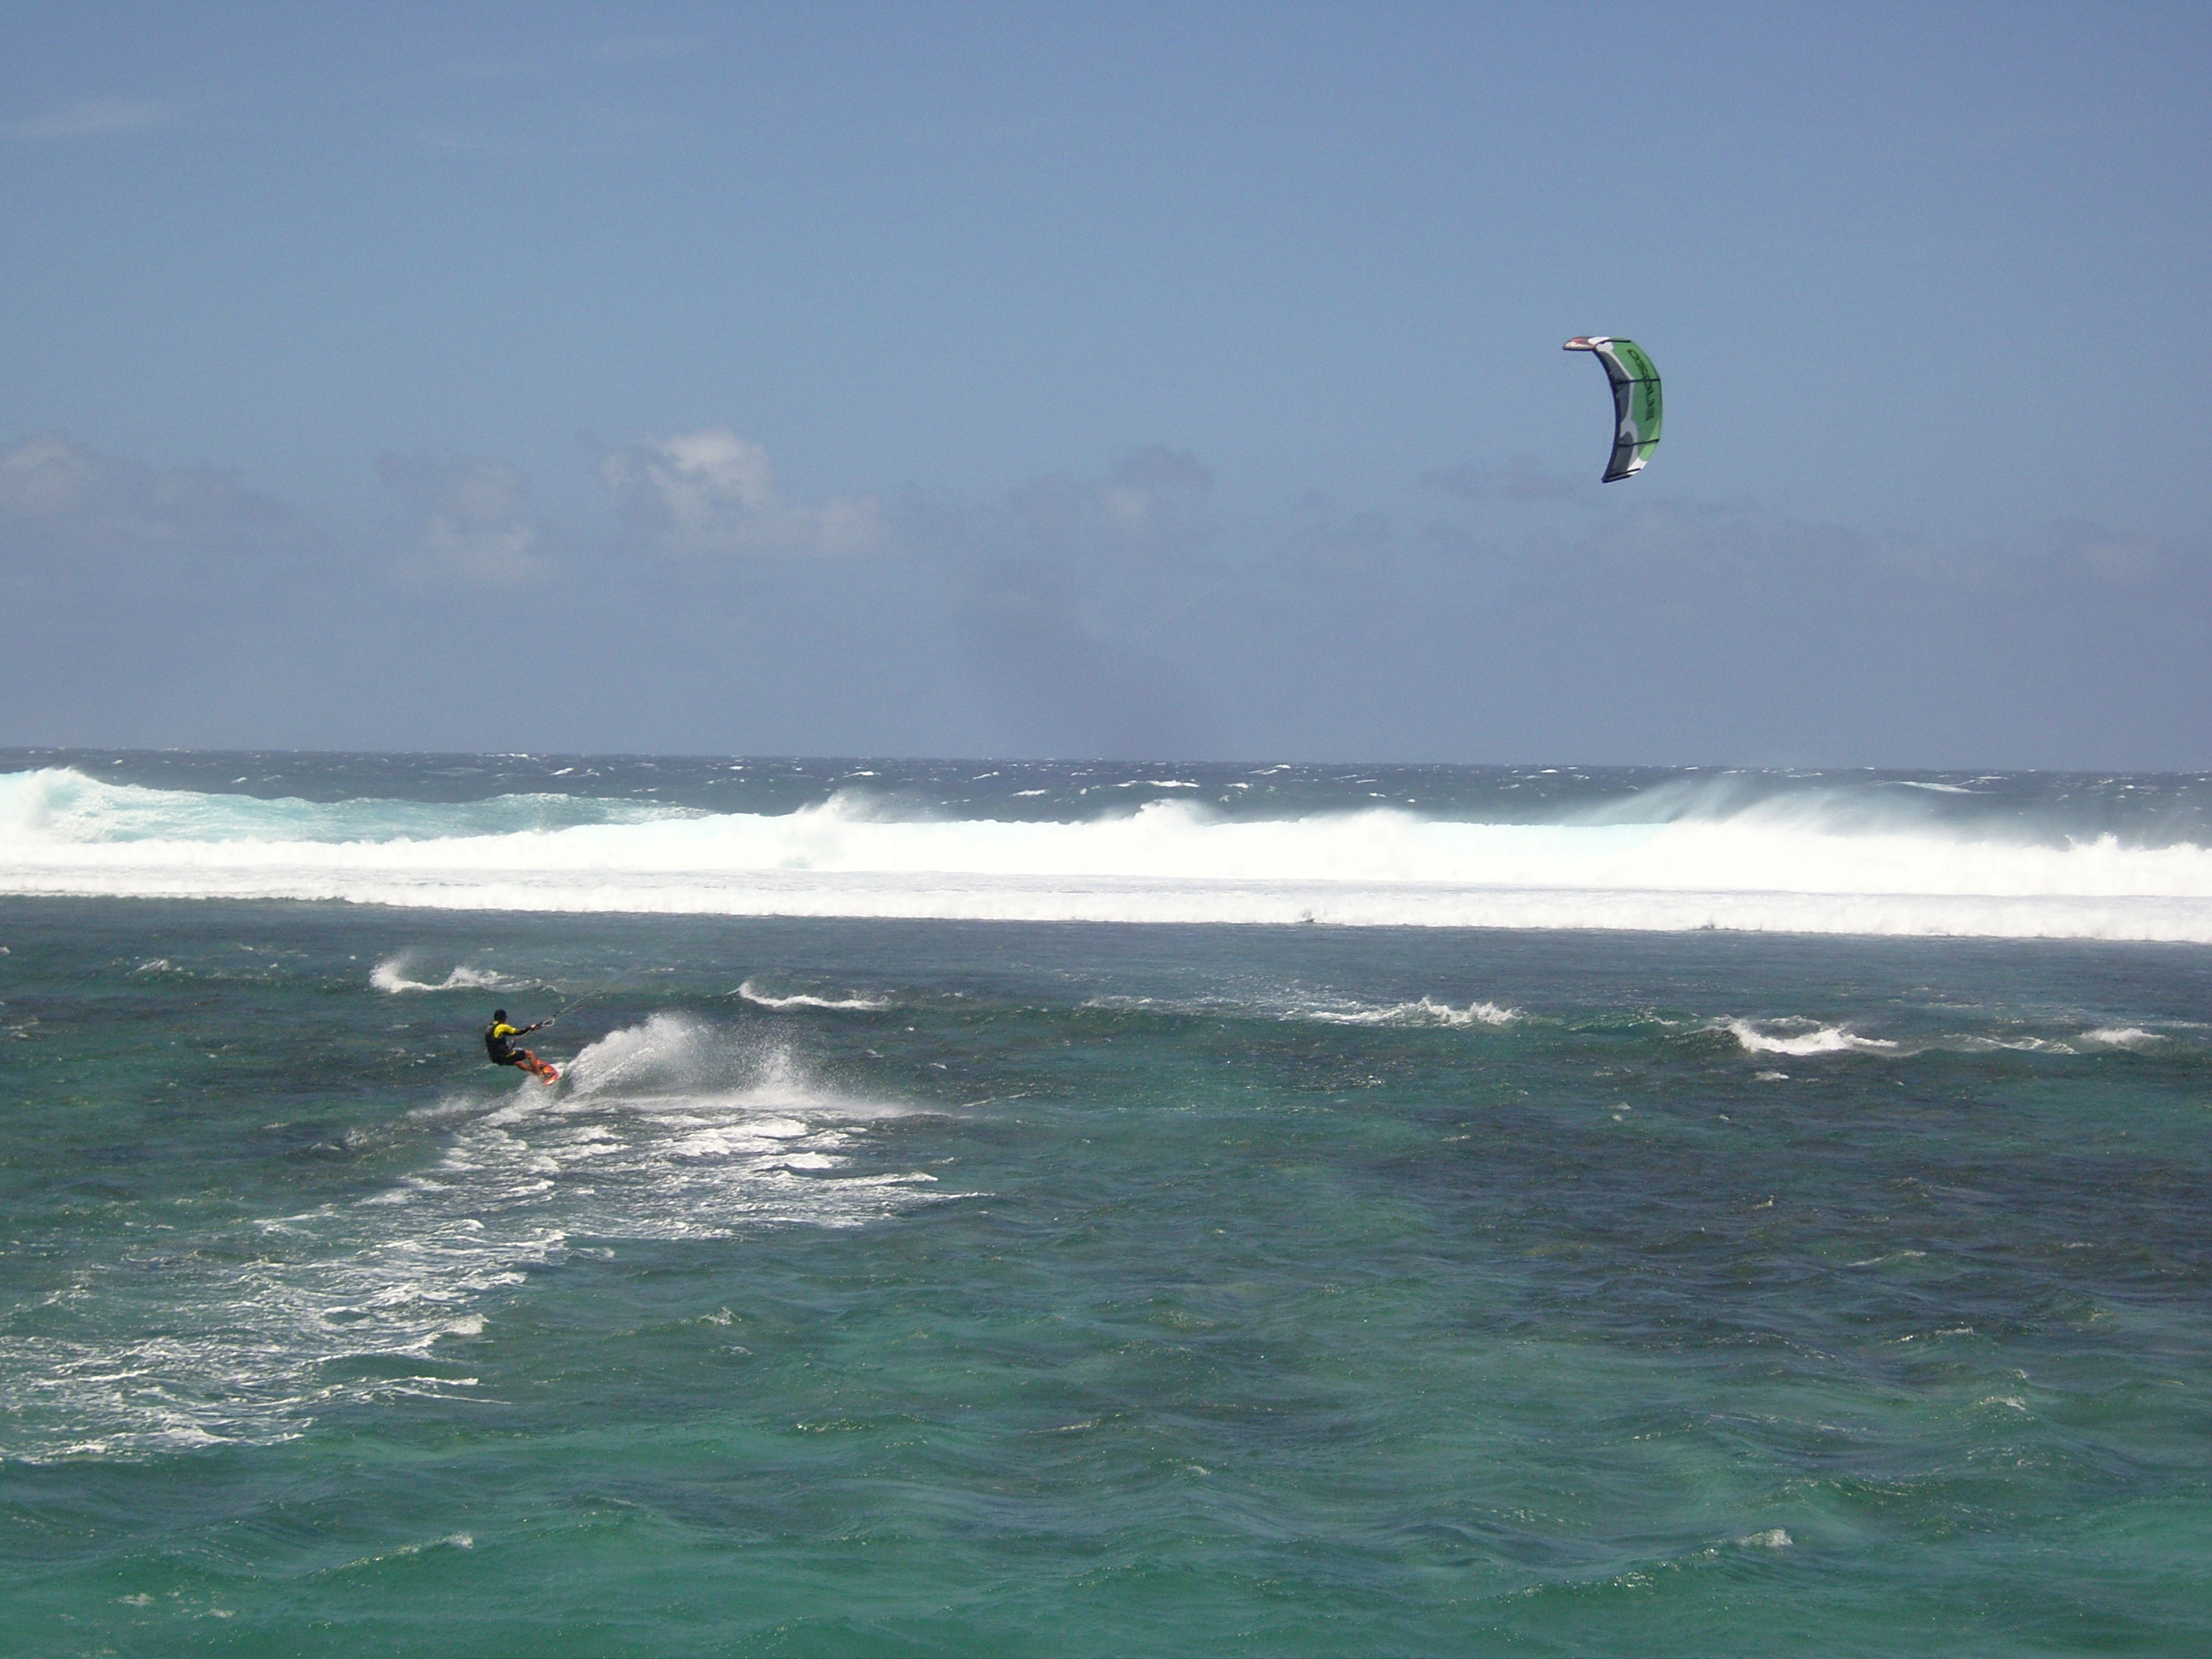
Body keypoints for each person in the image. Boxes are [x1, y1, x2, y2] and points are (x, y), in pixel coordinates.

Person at [484, 1009, 558, 1085]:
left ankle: (535, 1071)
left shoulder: (489, 1028)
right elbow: (518, 1032)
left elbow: (494, 1041)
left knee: (518, 1063)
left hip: (495, 1058)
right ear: (504, 1018)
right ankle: (541, 1076)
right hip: (504, 1055)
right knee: (530, 1054)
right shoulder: (502, 1027)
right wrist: (531, 1028)